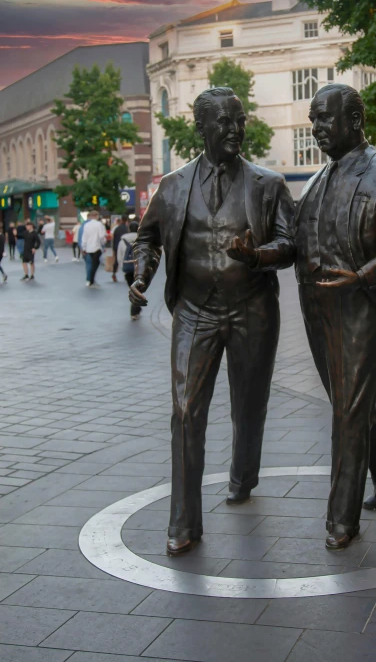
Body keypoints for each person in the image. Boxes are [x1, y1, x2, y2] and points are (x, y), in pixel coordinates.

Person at [130, 86, 295, 555]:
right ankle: (183, 523)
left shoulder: (267, 184)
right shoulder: (173, 185)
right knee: (184, 412)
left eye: (239, 120)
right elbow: (148, 238)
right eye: (224, 122)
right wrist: (141, 275)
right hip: (195, 310)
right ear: (200, 128)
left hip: (253, 309)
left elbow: (291, 244)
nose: (235, 129)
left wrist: (258, 254)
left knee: (249, 405)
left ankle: (243, 476)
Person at [295, 83, 376, 551]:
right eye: (313, 121)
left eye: (324, 119)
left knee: (347, 410)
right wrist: (256, 255)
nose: (316, 130)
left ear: (354, 120)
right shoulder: (314, 182)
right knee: (353, 404)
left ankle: (340, 518)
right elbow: (293, 242)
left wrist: (365, 274)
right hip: (318, 308)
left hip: (366, 306)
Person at [118, 220, 140, 318]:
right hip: (139, 267)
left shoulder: (123, 240)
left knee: (132, 289)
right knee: (138, 289)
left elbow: (120, 255)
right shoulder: (142, 239)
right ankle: (134, 311)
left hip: (127, 268)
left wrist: (121, 266)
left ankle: (137, 308)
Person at [81, 210, 106, 287]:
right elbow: (102, 236)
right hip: (97, 247)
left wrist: (84, 247)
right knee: (96, 263)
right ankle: (91, 280)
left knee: (93, 263)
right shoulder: (99, 224)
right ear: (97, 216)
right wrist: (103, 243)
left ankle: (90, 280)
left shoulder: (86, 225)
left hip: (89, 248)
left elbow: (84, 237)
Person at [111, 214, 129, 282]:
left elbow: (114, 239)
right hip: (126, 246)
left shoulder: (117, 228)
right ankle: (126, 274)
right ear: (126, 220)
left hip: (117, 246)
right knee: (126, 260)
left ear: (121, 220)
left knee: (116, 261)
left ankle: (114, 273)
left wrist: (113, 249)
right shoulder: (127, 228)